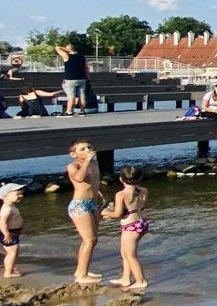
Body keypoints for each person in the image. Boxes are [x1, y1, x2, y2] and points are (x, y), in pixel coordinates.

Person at [65, 139, 105, 285]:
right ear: (73, 154)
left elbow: (95, 181)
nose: (88, 150)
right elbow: (80, 178)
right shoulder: (73, 166)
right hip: (79, 205)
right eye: (82, 149)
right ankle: (82, 275)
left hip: (92, 202)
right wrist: (87, 161)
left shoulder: (95, 163)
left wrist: (99, 193)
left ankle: (81, 270)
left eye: (89, 147)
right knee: (90, 239)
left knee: (92, 240)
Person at [102, 166, 149, 290]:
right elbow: (135, 207)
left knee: (130, 256)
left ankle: (141, 281)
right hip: (142, 223)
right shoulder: (143, 190)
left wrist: (105, 212)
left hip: (130, 227)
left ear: (121, 179)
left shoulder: (121, 194)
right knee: (125, 253)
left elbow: (117, 214)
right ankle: (125, 278)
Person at [0, 182, 26, 279]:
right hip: (9, 234)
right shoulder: (7, 209)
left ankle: (11, 269)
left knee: (15, 252)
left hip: (13, 233)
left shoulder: (11, 206)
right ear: (6, 197)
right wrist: (6, 234)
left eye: (21, 193)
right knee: (12, 253)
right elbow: (2, 223)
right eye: (17, 194)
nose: (20, 196)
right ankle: (8, 272)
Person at [55, 44, 89, 115]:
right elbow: (86, 68)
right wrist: (87, 77)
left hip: (70, 79)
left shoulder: (67, 56)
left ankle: (69, 111)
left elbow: (57, 48)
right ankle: (82, 111)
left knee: (71, 96)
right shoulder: (81, 56)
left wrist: (67, 50)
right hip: (82, 78)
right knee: (82, 95)